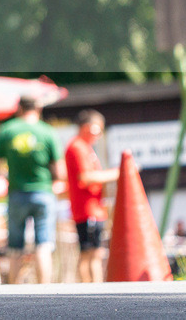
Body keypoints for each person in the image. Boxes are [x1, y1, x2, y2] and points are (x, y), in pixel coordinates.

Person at [0, 94, 65, 284]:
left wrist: (9, 175)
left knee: (15, 246)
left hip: (17, 193)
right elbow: (59, 170)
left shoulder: (7, 130)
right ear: (38, 109)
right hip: (43, 192)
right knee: (44, 244)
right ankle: (45, 290)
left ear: (19, 109)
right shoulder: (47, 132)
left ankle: (15, 291)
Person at [64, 109, 119, 283]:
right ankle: (91, 290)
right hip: (86, 209)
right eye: (98, 129)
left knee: (95, 252)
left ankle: (95, 288)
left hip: (93, 208)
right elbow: (86, 177)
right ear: (88, 127)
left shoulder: (85, 148)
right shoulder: (78, 147)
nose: (100, 134)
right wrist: (118, 173)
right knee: (90, 253)